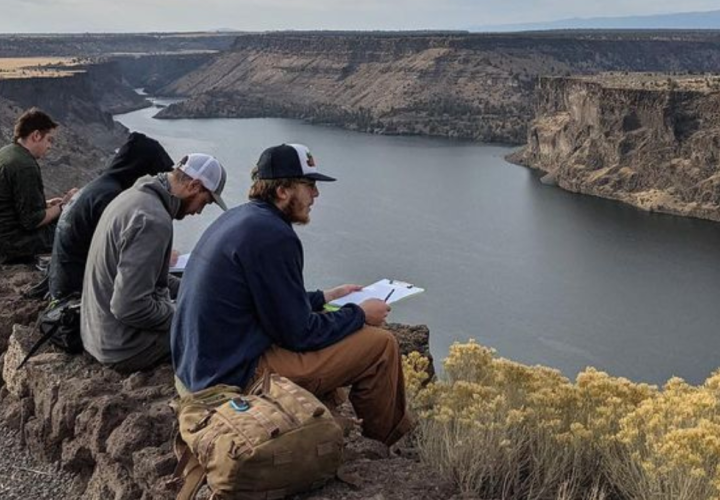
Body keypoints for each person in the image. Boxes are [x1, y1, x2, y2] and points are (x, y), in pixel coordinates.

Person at [171, 143, 413, 447]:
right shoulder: (274, 235)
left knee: (336, 327)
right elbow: (299, 335)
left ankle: (336, 419)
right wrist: (361, 314)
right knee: (381, 346)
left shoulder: (242, 219)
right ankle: (385, 446)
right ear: (283, 190)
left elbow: (269, 300)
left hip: (199, 367)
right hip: (231, 375)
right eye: (309, 185)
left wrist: (325, 296)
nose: (316, 195)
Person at [81, 153, 228, 374]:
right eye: (204, 202)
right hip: (122, 347)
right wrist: (186, 314)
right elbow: (129, 307)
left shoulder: (134, 197)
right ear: (195, 186)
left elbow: (151, 277)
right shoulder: (153, 220)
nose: (198, 211)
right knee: (218, 331)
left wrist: (196, 289)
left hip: (97, 332)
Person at [49, 132, 174, 299]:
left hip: (65, 284)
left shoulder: (100, 188)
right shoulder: (111, 198)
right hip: (76, 296)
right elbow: (128, 269)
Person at [0, 108, 76, 264]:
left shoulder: (7, 152)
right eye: (49, 139)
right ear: (36, 136)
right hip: (13, 242)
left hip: (5, 234)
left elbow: (12, 204)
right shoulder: (25, 166)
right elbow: (32, 221)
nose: (50, 146)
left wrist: (48, 205)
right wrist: (64, 205)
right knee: (75, 225)